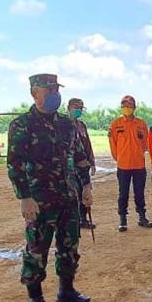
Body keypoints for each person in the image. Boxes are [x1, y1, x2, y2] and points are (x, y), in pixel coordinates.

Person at [7, 74, 94, 302]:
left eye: (56, 88)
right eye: (49, 89)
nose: (55, 93)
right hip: (39, 198)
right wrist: (24, 197)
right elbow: (15, 164)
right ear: (35, 93)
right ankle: (36, 297)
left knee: (69, 244)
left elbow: (79, 156)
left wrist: (86, 186)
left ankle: (66, 289)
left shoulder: (67, 124)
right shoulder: (22, 124)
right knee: (37, 247)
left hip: (68, 195)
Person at [109, 95, 152, 231]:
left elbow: (146, 143)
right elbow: (113, 144)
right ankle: (123, 219)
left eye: (129, 105)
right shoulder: (116, 124)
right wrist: (120, 158)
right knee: (123, 193)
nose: (126, 108)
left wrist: (137, 153)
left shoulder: (141, 124)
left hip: (139, 165)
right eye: (124, 106)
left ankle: (142, 217)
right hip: (123, 166)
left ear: (134, 108)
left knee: (139, 193)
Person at [67, 97, 98, 228]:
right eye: (76, 107)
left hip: (83, 164)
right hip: (69, 166)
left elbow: (87, 145)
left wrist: (91, 161)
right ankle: (74, 220)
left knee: (84, 191)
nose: (78, 110)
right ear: (68, 108)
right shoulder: (64, 125)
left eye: (80, 108)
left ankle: (84, 219)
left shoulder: (82, 126)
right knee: (72, 193)